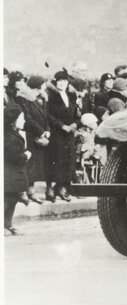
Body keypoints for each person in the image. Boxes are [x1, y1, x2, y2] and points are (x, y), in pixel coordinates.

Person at [45, 70, 79, 202]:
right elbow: (48, 115)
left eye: (65, 81)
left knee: (67, 160)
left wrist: (75, 124)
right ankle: (50, 188)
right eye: (60, 81)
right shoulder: (51, 96)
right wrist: (61, 126)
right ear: (55, 82)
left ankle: (62, 187)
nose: (62, 84)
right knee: (55, 159)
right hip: (57, 133)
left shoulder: (71, 95)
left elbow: (76, 113)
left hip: (69, 133)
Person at [15, 75, 49, 203]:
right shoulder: (23, 97)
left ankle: (31, 191)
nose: (44, 87)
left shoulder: (40, 97)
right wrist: (41, 131)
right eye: (43, 84)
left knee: (34, 165)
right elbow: (27, 118)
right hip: (29, 135)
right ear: (37, 86)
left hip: (38, 135)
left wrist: (47, 130)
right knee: (27, 164)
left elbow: (45, 116)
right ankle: (23, 192)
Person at [5, 106, 31, 236]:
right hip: (9, 175)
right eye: (21, 118)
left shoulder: (14, 134)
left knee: (12, 200)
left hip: (15, 176)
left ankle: (7, 224)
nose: (24, 121)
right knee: (7, 201)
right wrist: (26, 156)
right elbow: (14, 157)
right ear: (13, 120)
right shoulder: (8, 137)